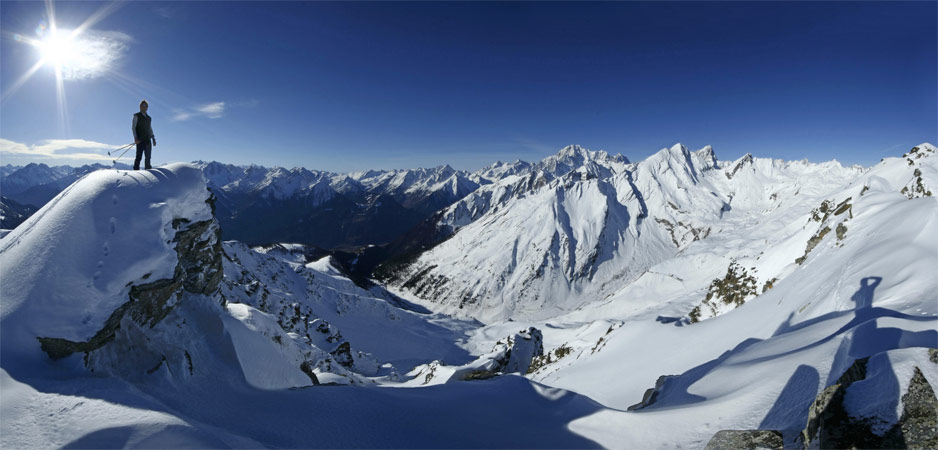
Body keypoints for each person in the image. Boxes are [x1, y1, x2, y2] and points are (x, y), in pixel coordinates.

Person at [132, 100, 156, 170]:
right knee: (139, 156)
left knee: (148, 157)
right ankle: (136, 170)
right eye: (143, 105)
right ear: (140, 106)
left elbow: (150, 129)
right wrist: (135, 138)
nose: (145, 107)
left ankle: (148, 170)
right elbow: (133, 127)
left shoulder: (149, 118)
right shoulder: (136, 116)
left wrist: (153, 138)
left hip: (148, 140)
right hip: (140, 139)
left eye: (146, 106)